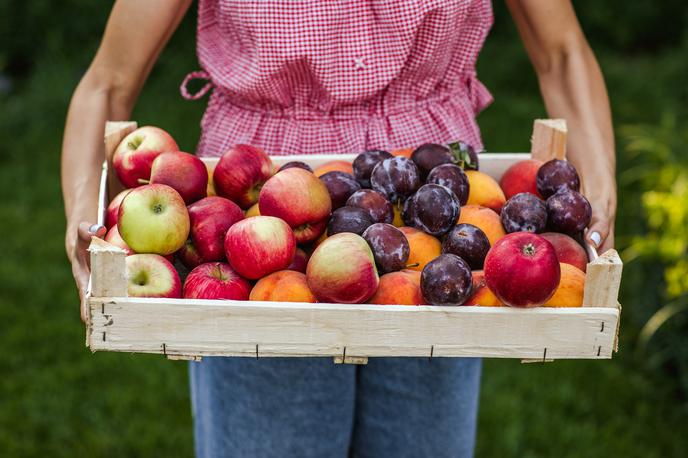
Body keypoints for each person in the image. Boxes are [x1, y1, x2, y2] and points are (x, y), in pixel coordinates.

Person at [62, 1, 616, 456]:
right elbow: (109, 79)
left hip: (435, 218)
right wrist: (86, 215)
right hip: (263, 209)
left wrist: (598, 185)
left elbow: (563, 51)